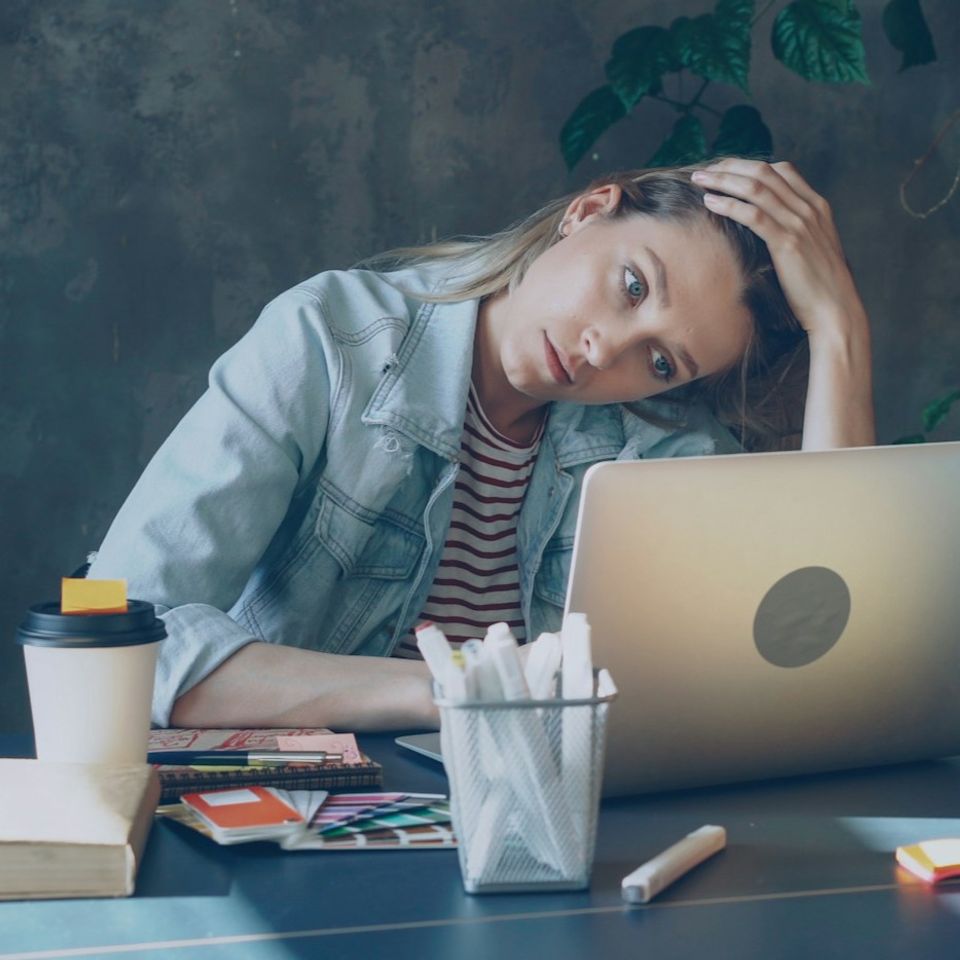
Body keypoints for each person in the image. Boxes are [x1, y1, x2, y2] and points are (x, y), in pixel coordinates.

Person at [87, 157, 875, 731]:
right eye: (633, 286)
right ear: (588, 210)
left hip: (537, 832)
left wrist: (838, 330)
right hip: (295, 823)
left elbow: (821, 667)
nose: (607, 349)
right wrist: (455, 689)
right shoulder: (328, 338)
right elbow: (108, 631)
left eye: (661, 361)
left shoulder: (660, 450)